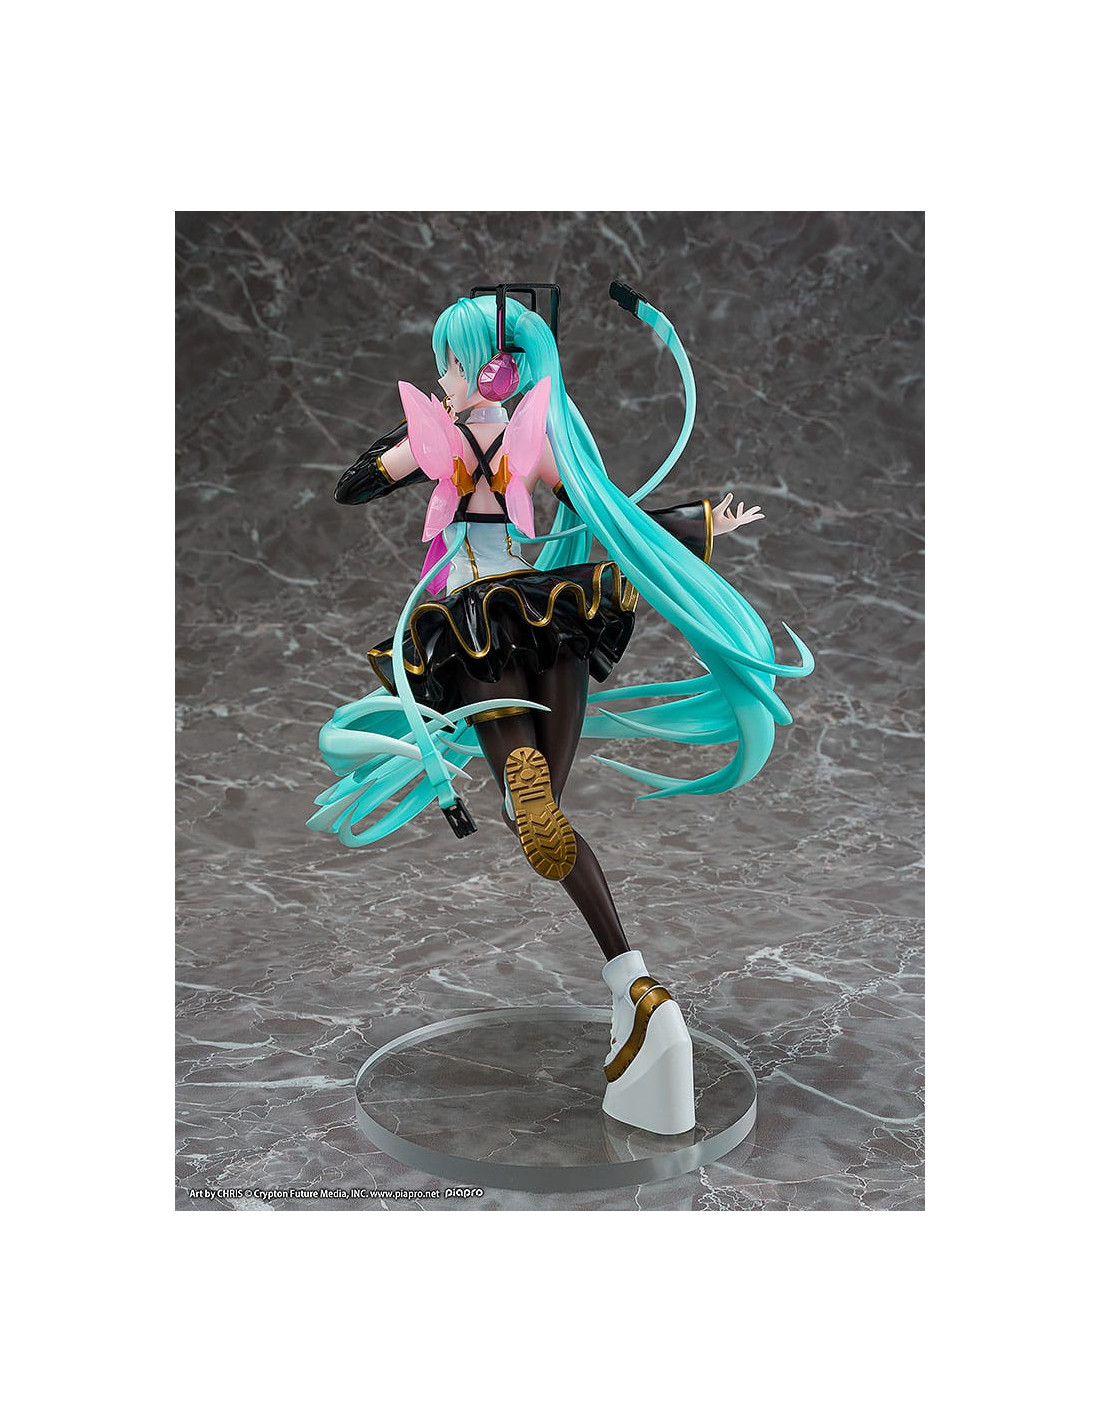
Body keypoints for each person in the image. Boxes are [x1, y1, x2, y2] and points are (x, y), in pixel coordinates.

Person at [309, 283, 813, 1135]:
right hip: (551, 620)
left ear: (493, 369)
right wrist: (703, 524)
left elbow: (351, 488)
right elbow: (617, 528)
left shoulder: (445, 439)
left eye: (454, 365)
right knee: (540, 814)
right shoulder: (535, 441)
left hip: (469, 623)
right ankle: (635, 985)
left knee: (525, 811)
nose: (442, 379)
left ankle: (600, 925)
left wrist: (415, 440)